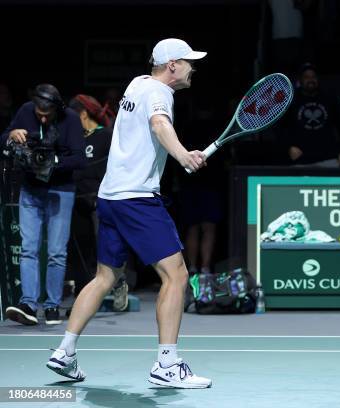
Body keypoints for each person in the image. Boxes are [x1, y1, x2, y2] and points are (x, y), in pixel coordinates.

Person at [46, 38, 211, 389]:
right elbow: (158, 125)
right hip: (137, 198)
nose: (192, 67)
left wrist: (180, 152)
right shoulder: (161, 93)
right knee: (177, 276)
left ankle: (65, 351)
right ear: (172, 66)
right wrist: (183, 155)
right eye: (188, 62)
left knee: (104, 277)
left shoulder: (137, 83)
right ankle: (167, 364)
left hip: (109, 196)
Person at [2, 84, 85, 326]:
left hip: (61, 191)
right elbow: (3, 141)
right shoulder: (26, 111)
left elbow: (80, 159)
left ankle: (51, 306)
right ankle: (28, 303)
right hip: (30, 189)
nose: (43, 117)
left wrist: (53, 162)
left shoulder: (70, 119)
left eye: (47, 114)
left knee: (56, 253)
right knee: (28, 248)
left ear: (57, 109)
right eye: (39, 114)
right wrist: (11, 134)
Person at [67, 94, 128, 312]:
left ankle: (119, 283)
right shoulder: (74, 139)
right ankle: (81, 296)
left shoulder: (107, 136)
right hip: (76, 200)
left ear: (83, 114)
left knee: (104, 249)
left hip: (100, 200)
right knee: (81, 250)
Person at [285, 63, 340, 166]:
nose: (310, 80)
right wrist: (289, 147)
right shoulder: (291, 101)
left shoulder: (329, 98)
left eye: (313, 76)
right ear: (300, 80)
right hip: (301, 159)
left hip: (329, 158)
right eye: (306, 77)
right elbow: (281, 129)